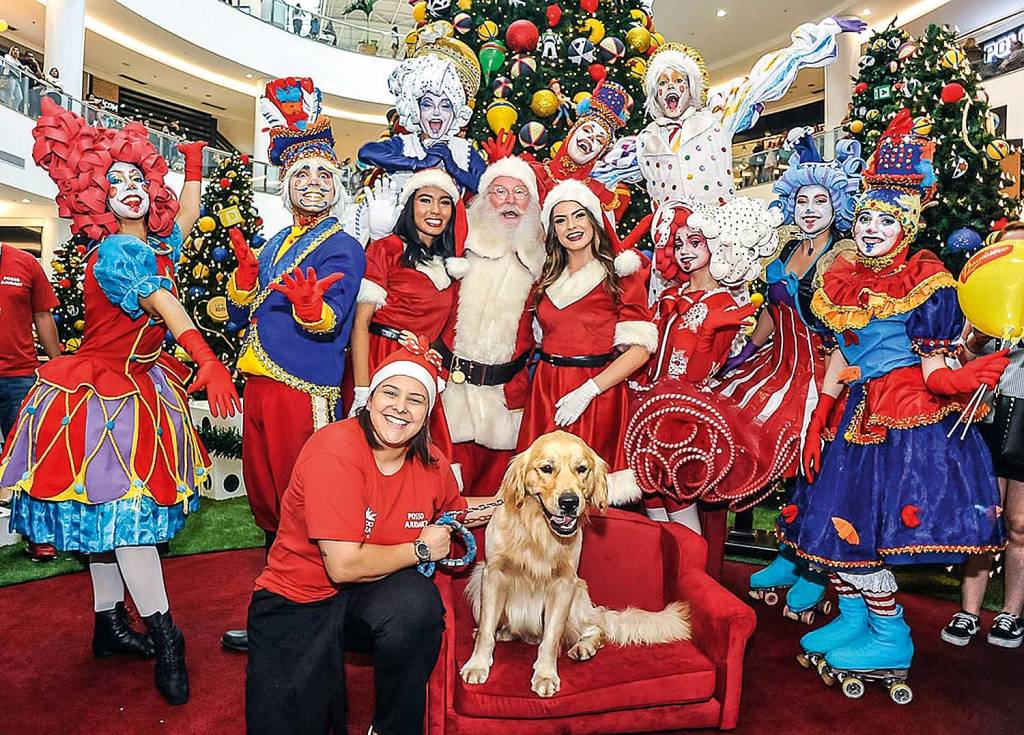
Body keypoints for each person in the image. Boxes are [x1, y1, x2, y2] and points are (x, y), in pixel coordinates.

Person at [1, 97, 239, 705]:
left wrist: (188, 163)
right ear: (96, 198)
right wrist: (205, 357)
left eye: (139, 180)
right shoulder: (117, 252)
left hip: (141, 388)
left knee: (109, 522)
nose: (130, 190)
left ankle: (108, 626)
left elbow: (182, 216)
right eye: (117, 182)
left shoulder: (157, 242)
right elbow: (162, 303)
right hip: (103, 397)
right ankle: (167, 637)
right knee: (125, 521)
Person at [788, 110, 1007, 695]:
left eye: (884, 219)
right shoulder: (843, 277)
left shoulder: (927, 279)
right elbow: (842, 353)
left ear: (907, 224)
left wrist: (965, 379)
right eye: (863, 217)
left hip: (901, 421)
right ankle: (856, 619)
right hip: (853, 414)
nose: (869, 228)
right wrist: (820, 411)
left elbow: (935, 370)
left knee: (868, 530)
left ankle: (890, 635)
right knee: (837, 529)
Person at [246, 338, 482, 735]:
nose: (400, 407)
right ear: (369, 399)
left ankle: (393, 728)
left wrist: (520, 499)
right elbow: (343, 566)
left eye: (415, 399)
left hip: (370, 596)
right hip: (298, 598)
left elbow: (457, 512)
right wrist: (421, 547)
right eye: (390, 393)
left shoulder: (431, 462)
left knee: (417, 606)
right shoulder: (334, 449)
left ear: (427, 414)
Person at [223, 77, 366, 652]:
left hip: (303, 389)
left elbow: (330, 318)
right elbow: (241, 315)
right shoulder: (275, 240)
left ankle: (310, 623)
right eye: (301, 175)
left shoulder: (344, 246)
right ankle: (279, 612)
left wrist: (314, 309)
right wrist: (241, 281)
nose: (312, 183)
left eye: (322, 175)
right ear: (286, 188)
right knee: (265, 502)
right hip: (259, 383)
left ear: (336, 188)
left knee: (301, 505)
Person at [716, 128, 864, 621]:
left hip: (824, 372)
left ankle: (812, 567)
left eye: (821, 200)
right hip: (780, 364)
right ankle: (788, 552)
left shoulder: (843, 255)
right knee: (778, 460)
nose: (810, 208)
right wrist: (742, 355)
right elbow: (769, 316)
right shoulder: (784, 251)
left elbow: (848, 323)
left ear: (835, 205)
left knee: (815, 466)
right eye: (803, 199)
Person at [624, 197, 779, 573]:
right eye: (679, 244)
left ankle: (695, 588)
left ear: (717, 245)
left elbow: (703, 369)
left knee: (679, 506)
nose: (685, 251)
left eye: (696, 242)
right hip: (647, 411)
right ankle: (665, 585)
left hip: (684, 420)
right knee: (653, 505)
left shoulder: (723, 303)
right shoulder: (669, 297)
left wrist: (711, 336)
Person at [594, 17, 867, 210]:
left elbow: (762, 79)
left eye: (679, 81)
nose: (670, 88)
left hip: (721, 251)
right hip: (671, 258)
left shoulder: (716, 119)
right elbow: (596, 171)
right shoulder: (643, 142)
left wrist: (824, 30)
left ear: (691, 89)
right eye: (662, 84)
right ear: (655, 94)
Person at [517, 179, 654, 504]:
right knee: (541, 486)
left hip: (597, 394)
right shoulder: (547, 275)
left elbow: (639, 350)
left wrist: (588, 391)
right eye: (560, 220)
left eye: (579, 216)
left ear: (594, 219)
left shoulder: (620, 275)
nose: (571, 226)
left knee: (587, 489)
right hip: (547, 389)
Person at [435, 156, 545, 494]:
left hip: (506, 400)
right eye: (500, 191)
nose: (510, 201)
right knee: (443, 491)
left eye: (520, 192)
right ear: (484, 199)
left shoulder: (545, 261)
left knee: (498, 499)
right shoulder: (455, 246)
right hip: (450, 394)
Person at [346, 169, 463, 474]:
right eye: (425, 200)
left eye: (444, 202)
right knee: (370, 456)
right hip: (379, 359)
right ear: (410, 205)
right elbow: (360, 324)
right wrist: (362, 389)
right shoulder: (388, 249)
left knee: (422, 460)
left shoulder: (449, 264)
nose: (435, 211)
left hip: (419, 367)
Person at [941, 221, 1024, 649]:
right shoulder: (979, 304)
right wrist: (977, 336)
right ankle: (968, 612)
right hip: (984, 417)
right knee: (982, 517)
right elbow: (960, 358)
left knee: (1020, 524)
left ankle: (1011, 614)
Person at [357, 28, 485, 241]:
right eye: (427, 104)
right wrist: (419, 163)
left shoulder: (465, 150)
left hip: (449, 245)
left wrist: (453, 167)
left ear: (456, 112)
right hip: (399, 242)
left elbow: (487, 186)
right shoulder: (405, 144)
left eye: (445, 105)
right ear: (415, 108)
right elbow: (367, 152)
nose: (436, 112)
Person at [0, 240, 60, 561]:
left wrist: (58, 364)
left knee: (27, 461)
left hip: (19, 378)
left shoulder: (24, 262)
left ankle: (37, 536)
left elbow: (43, 315)